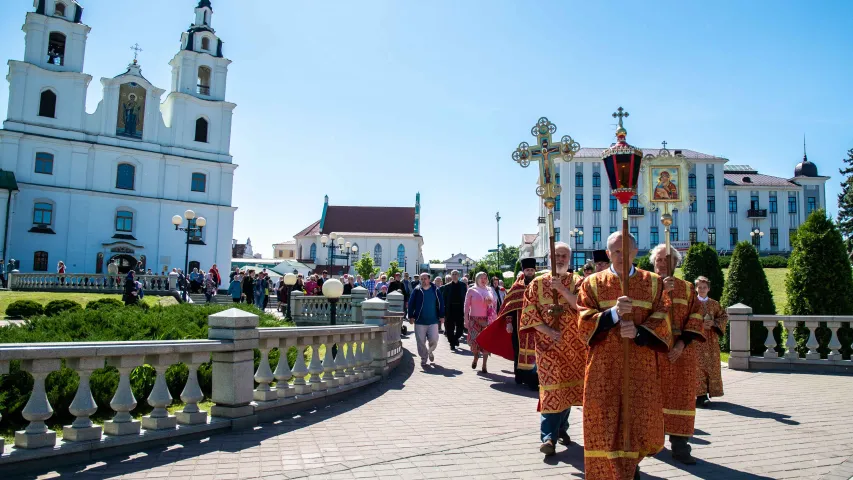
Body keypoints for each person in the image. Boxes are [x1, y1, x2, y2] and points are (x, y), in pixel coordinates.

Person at [577, 231, 673, 480]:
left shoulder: (653, 282)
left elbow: (663, 317)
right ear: (608, 254)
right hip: (604, 367)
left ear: (636, 252)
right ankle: (614, 472)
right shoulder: (592, 283)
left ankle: (632, 469)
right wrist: (613, 315)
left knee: (637, 422)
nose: (621, 256)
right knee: (605, 421)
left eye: (626, 250)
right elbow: (582, 319)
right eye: (616, 251)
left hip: (640, 366)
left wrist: (640, 332)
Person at [520, 243, 586, 456]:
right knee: (551, 389)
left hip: (574, 348)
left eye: (564, 255)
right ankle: (548, 437)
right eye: (556, 255)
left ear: (570, 258)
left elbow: (582, 307)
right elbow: (528, 314)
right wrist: (547, 331)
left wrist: (563, 290)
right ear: (549, 257)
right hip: (547, 347)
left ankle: (561, 429)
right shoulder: (537, 284)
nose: (560, 259)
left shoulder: (579, 282)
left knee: (567, 389)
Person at [650, 244, 705, 465]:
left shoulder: (688, 288)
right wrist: (661, 291)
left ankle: (681, 446)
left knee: (681, 400)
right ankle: (651, 443)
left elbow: (696, 317)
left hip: (681, 355)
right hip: (652, 353)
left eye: (668, 260)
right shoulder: (645, 286)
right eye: (659, 260)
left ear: (676, 262)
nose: (662, 264)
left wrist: (682, 344)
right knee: (651, 400)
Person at [498, 257, 540, 388]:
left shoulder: (540, 285)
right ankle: (520, 375)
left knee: (535, 350)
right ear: (523, 271)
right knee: (518, 349)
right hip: (518, 324)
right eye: (527, 270)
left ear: (535, 271)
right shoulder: (517, 287)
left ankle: (533, 377)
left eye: (532, 270)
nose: (530, 272)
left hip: (537, 324)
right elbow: (509, 307)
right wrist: (509, 323)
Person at [694, 276, 728, 408]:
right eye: (699, 287)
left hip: (711, 340)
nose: (702, 289)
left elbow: (724, 316)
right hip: (697, 339)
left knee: (711, 366)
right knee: (698, 366)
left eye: (704, 287)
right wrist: (700, 323)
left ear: (708, 288)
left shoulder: (714, 304)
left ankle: (708, 392)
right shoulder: (692, 303)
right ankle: (700, 395)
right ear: (696, 288)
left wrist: (714, 323)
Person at [407, 272, 445, 367]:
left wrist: (442, 316)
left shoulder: (435, 290)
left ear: (429, 279)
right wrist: (411, 316)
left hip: (433, 321)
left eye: (425, 279)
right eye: (421, 279)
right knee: (420, 342)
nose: (423, 281)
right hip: (420, 321)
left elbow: (441, 303)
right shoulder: (417, 290)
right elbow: (411, 304)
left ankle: (430, 351)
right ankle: (424, 358)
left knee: (434, 340)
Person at [464, 272, 497, 373]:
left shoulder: (490, 290)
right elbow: (466, 306)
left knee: (486, 343)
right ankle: (475, 357)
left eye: (485, 278)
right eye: (481, 278)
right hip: (474, 320)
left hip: (487, 320)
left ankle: (484, 365)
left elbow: (495, 304)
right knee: (475, 342)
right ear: (477, 279)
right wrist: (466, 319)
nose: (483, 280)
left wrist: (490, 302)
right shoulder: (471, 290)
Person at [442, 270, 467, 351]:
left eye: (456, 274)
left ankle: (456, 338)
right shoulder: (447, 286)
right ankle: (452, 343)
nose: (454, 275)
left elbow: (466, 298)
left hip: (460, 309)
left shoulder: (463, 285)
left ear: (459, 275)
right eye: (453, 274)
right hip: (450, 309)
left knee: (460, 329)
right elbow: (443, 299)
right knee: (450, 328)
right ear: (451, 276)